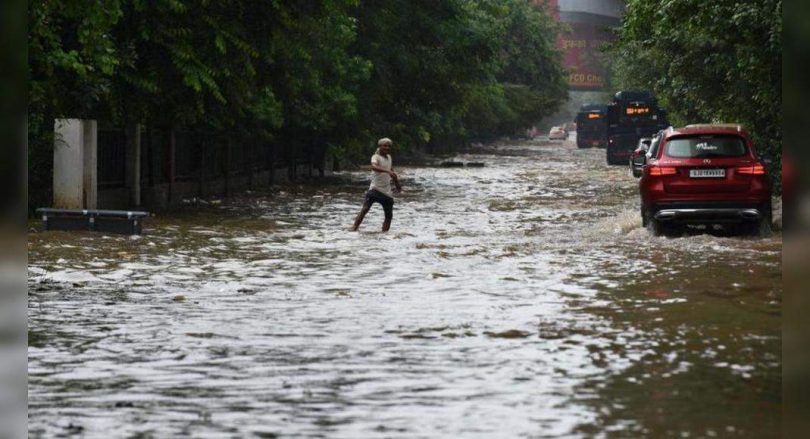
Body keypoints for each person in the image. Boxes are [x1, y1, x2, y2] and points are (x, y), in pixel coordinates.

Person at [352, 137, 401, 232]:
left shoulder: (389, 157)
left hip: (387, 192)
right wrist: (388, 171)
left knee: (389, 216)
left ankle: (385, 234)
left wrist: (398, 185)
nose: (387, 148)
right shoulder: (375, 157)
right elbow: (374, 167)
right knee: (365, 209)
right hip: (375, 189)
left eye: (389, 146)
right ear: (380, 146)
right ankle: (354, 228)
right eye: (385, 146)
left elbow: (392, 172)